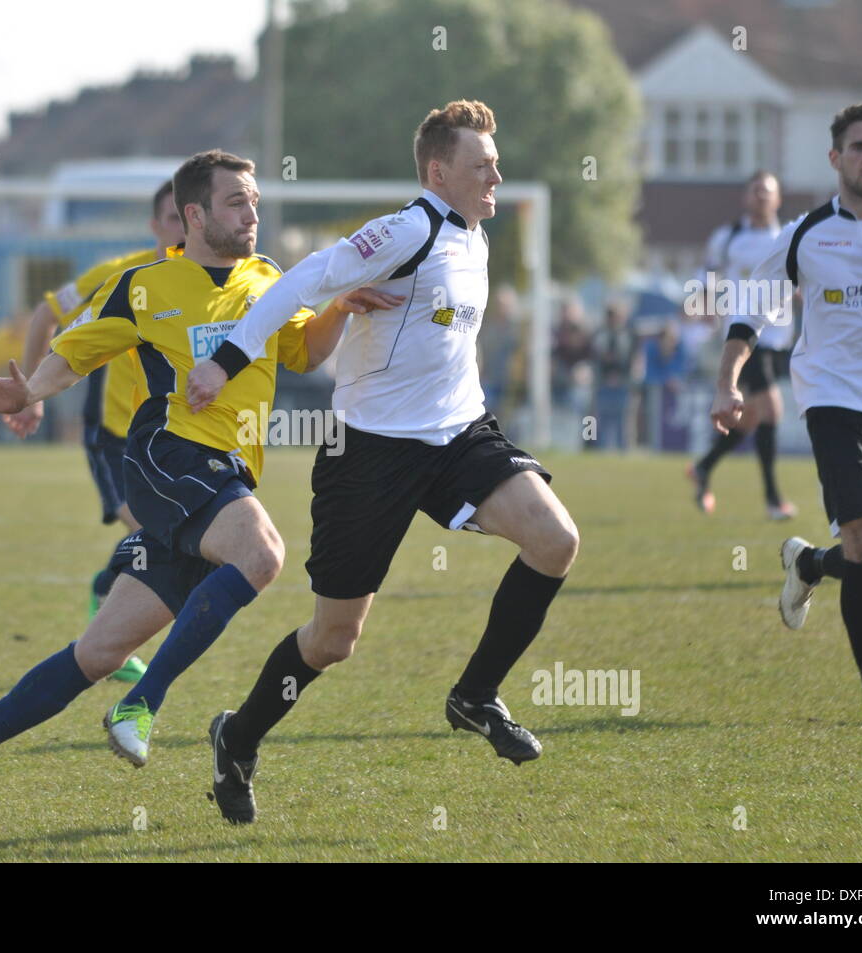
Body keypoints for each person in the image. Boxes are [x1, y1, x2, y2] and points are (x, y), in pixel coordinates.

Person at [0, 150, 395, 834]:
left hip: (223, 477)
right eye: (236, 202)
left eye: (254, 200)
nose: (251, 213)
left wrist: (341, 307)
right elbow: (72, 352)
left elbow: (303, 353)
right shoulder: (145, 285)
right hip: (169, 455)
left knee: (97, 652)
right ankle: (143, 702)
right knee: (262, 554)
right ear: (193, 214)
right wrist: (28, 391)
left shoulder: (268, 280)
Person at [188, 100, 580, 824]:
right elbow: (306, 278)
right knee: (334, 639)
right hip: (368, 451)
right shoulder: (407, 229)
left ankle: (476, 694)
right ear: (439, 170)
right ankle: (237, 736)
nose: (497, 172)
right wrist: (228, 359)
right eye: (481, 163)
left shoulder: (476, 237)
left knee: (556, 540)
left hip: (460, 435)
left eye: (495, 161)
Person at [713, 103, 862, 727]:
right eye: (858, 146)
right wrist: (728, 382)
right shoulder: (806, 234)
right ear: (836, 158)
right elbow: (750, 312)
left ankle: (808, 563)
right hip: (835, 403)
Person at [10, 181, 185, 635]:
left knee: (173, 537)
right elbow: (46, 314)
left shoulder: (211, 282)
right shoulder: (118, 276)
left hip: (172, 438)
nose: (182, 230)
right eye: (172, 220)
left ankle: (107, 597)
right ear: (154, 226)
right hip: (114, 437)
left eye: (189, 219)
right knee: (156, 533)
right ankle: (108, 619)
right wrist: (30, 394)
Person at [690, 171, 796, 519]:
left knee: (749, 418)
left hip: (779, 337)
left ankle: (704, 466)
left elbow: (800, 279)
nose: (762, 197)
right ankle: (773, 500)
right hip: (746, 338)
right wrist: (705, 305)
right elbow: (709, 275)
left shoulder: (788, 236)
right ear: (746, 197)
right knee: (771, 409)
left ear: (778, 199)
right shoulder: (728, 237)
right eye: (756, 191)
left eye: (768, 192)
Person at [589, 301, 637, 450]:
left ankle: (624, 450)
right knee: (602, 421)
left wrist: (624, 378)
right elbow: (596, 359)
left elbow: (632, 359)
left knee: (623, 422)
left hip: (623, 384)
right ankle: (601, 450)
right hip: (603, 383)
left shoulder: (629, 334)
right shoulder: (600, 335)